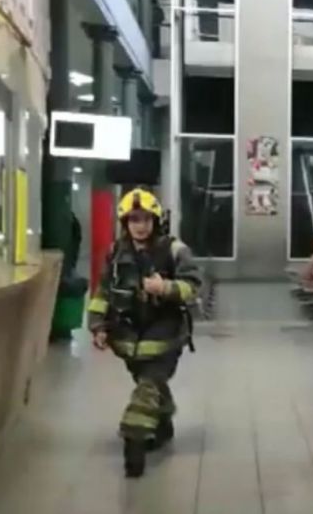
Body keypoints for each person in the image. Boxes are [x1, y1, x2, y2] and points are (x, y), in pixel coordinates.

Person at [87, 188, 202, 478]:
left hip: (165, 335)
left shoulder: (175, 250)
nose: (141, 225)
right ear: (125, 223)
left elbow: (195, 285)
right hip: (127, 339)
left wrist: (166, 288)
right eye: (134, 219)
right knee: (148, 384)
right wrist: (98, 324)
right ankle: (162, 422)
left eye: (146, 219)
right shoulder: (116, 253)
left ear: (156, 221)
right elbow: (103, 291)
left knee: (147, 386)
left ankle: (134, 439)